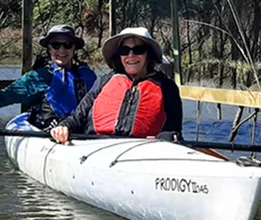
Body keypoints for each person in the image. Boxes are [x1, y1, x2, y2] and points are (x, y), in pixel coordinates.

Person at [50, 27, 184, 144]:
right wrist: (64, 126)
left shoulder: (167, 87)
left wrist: (165, 137)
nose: (131, 56)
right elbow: (78, 118)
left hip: (144, 150)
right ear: (119, 55)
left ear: (148, 54)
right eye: (125, 50)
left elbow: (174, 131)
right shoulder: (104, 82)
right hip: (97, 148)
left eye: (138, 50)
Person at [0, 24, 98, 129]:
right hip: (49, 136)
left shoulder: (88, 76)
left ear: (74, 48)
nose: (62, 50)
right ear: (49, 49)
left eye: (67, 44)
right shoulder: (40, 77)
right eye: (55, 45)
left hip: (83, 137)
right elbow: (2, 97)